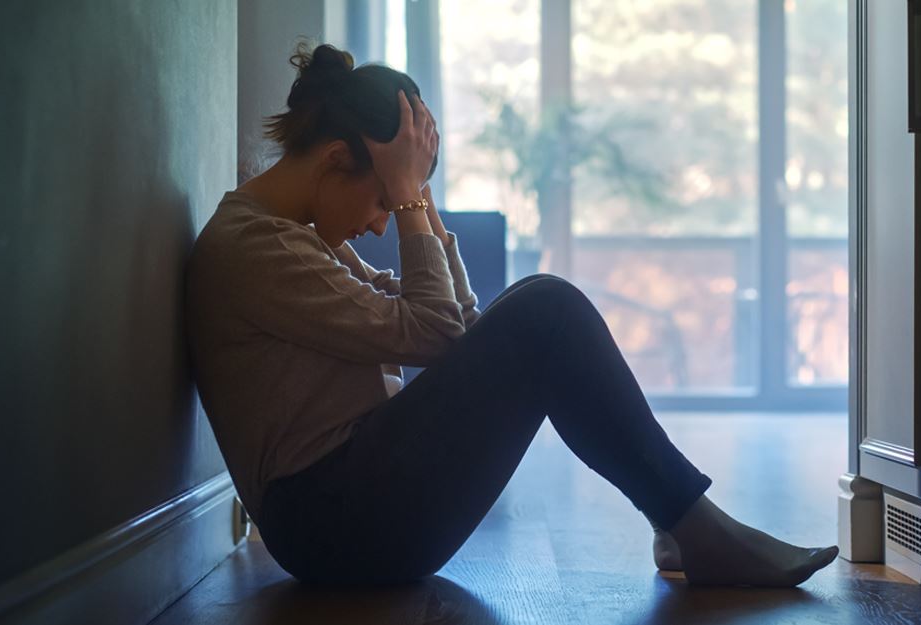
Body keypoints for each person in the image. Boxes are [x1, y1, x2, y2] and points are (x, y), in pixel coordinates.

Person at [185, 43, 837, 588]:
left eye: (395, 203)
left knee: (541, 307)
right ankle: (692, 526)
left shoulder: (292, 239)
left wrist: (419, 200)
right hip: (332, 526)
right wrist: (410, 197)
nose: (381, 223)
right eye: (384, 199)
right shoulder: (256, 247)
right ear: (333, 161)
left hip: (351, 506)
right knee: (546, 306)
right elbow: (436, 329)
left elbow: (455, 332)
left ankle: (684, 525)